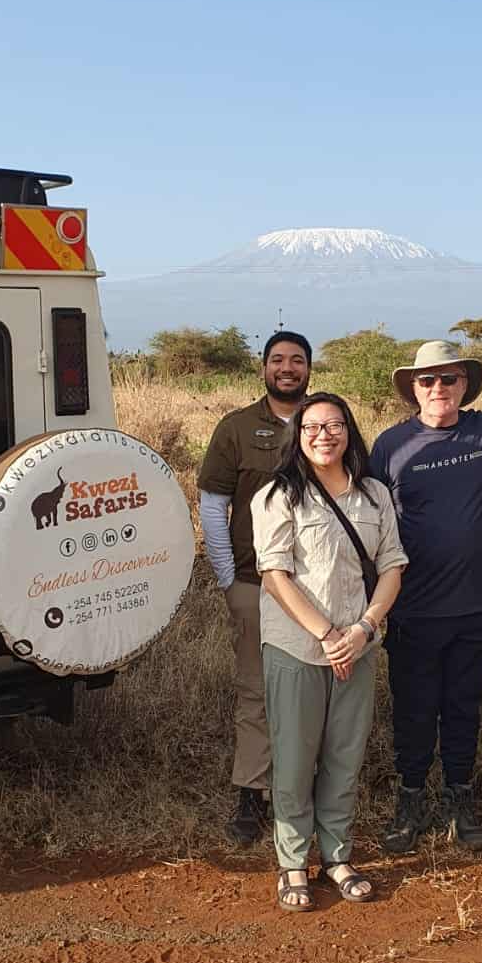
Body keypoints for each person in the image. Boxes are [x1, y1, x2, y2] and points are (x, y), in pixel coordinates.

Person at [368, 340, 482, 853]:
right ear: (412, 389)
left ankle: (460, 799)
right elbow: (371, 519)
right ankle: (410, 800)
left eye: (448, 379)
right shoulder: (390, 445)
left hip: (474, 602)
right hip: (412, 605)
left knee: (464, 706)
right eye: (427, 380)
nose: (438, 388)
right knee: (414, 709)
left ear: (465, 384)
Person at [252, 392, 406, 910]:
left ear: (349, 432)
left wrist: (362, 629)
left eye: (334, 425)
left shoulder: (374, 494)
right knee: (295, 759)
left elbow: (391, 567)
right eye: (312, 427)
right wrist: (326, 634)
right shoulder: (277, 495)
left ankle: (337, 856)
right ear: (298, 437)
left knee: (344, 756)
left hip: (357, 646)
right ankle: (293, 862)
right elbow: (274, 576)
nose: (324, 435)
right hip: (297, 647)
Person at [198, 331, 312, 844]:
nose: (287, 368)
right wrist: (226, 577)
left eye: (297, 360)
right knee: (255, 690)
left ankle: (304, 789)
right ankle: (251, 792)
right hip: (253, 583)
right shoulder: (237, 428)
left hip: (317, 589)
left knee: (311, 690)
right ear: (263, 367)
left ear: (310, 368)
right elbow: (211, 507)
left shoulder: (328, 420)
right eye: (278, 360)